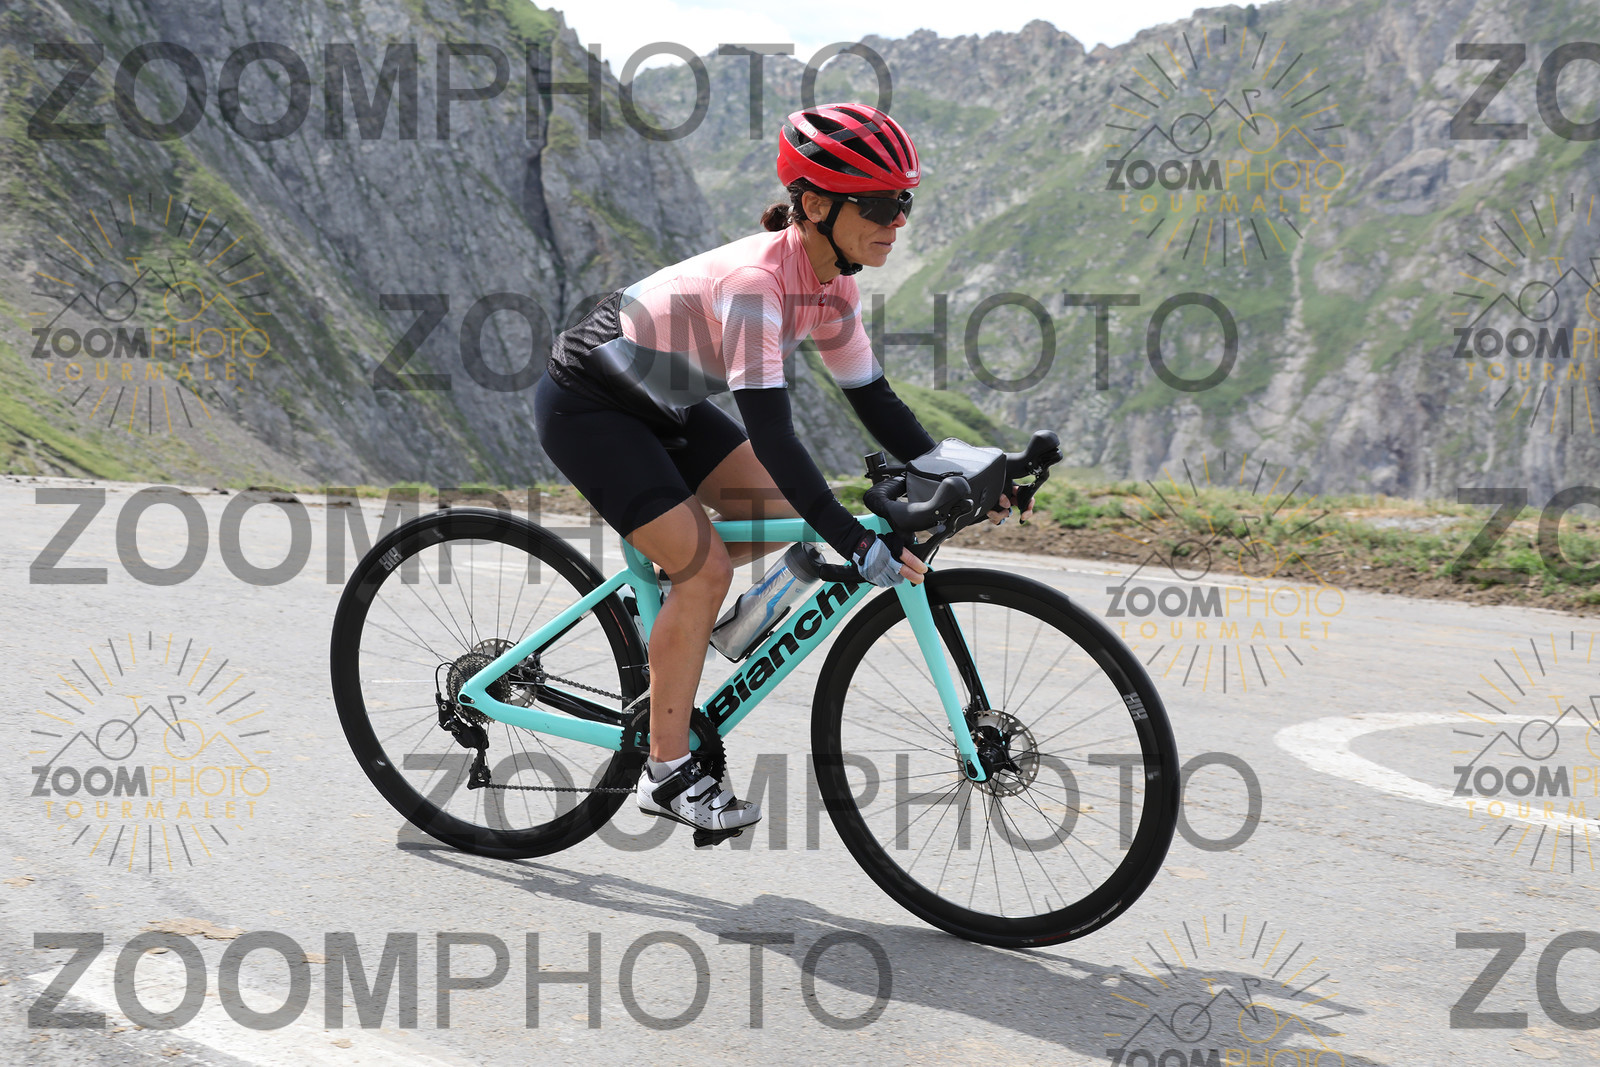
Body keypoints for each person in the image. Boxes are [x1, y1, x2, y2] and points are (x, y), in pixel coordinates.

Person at [534, 102, 1027, 842]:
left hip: (665, 400)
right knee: (706, 568)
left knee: (777, 518)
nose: (897, 221)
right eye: (880, 204)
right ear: (818, 205)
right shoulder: (756, 284)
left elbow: (877, 402)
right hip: (590, 402)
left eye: (904, 202)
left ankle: (669, 610)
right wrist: (852, 540)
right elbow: (773, 435)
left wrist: (976, 474)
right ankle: (666, 772)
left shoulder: (833, 287)